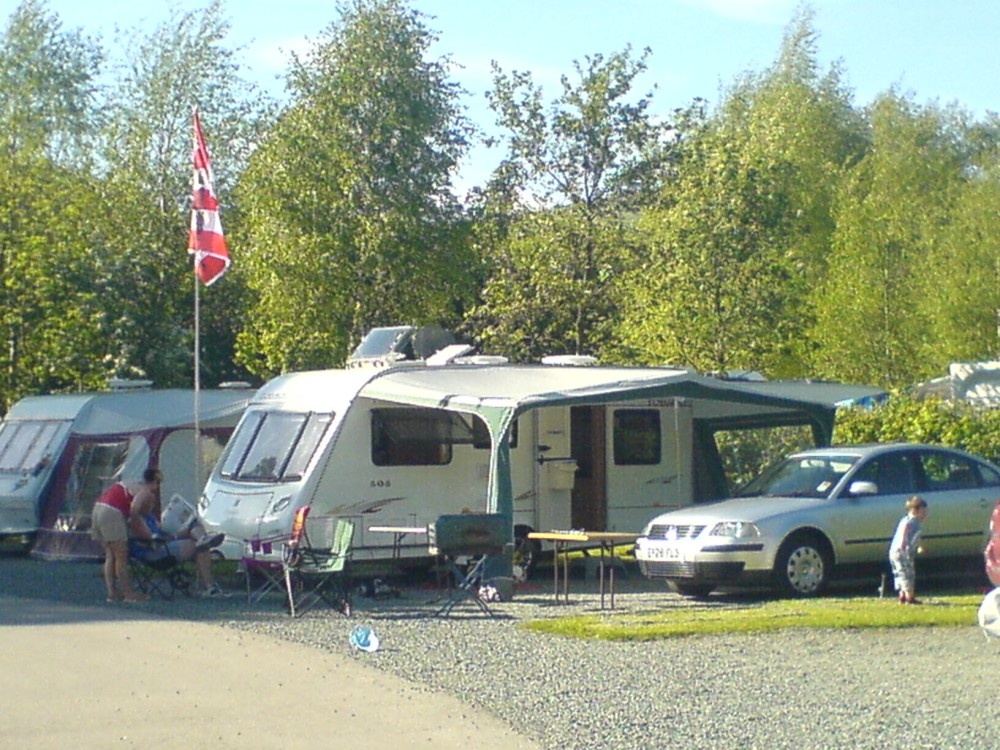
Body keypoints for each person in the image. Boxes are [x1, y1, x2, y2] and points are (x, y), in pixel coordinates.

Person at [127, 471, 226, 597]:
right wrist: (168, 538)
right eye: (149, 502)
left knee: (193, 527)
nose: (152, 505)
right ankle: (210, 586)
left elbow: (163, 534)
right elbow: (148, 539)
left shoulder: (150, 518)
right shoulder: (136, 520)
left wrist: (176, 535)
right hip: (154, 553)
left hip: (165, 545)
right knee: (199, 546)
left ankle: (203, 540)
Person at [91, 469, 158, 603]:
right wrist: (145, 532)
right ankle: (129, 594)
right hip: (112, 512)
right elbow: (134, 509)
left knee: (110, 555)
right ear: (155, 483)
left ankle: (112, 593)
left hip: (97, 509)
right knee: (121, 556)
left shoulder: (130, 483)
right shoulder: (145, 491)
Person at [889, 495, 928, 604]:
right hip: (901, 552)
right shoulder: (910, 521)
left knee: (902, 573)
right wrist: (902, 544)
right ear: (914, 511)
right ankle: (910, 597)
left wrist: (920, 546)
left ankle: (902, 595)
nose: (924, 515)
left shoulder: (916, 523)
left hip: (902, 552)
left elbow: (917, 536)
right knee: (906, 574)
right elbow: (904, 532)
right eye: (923, 512)